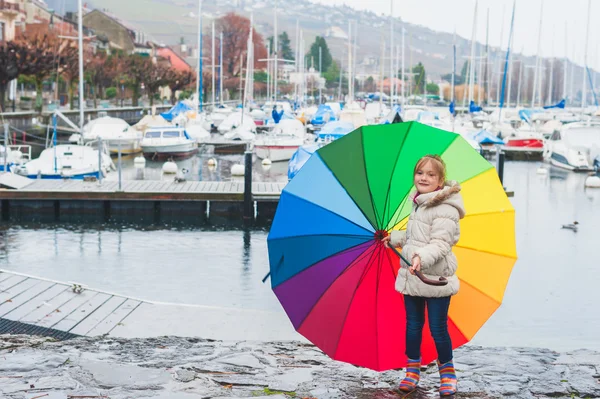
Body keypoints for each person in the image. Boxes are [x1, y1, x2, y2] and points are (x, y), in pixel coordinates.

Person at [382, 154, 465, 396]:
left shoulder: (446, 208)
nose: (424, 177)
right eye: (420, 173)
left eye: (430, 174)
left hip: (435, 278)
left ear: (440, 181)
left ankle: (447, 372)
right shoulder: (418, 203)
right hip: (413, 277)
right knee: (413, 325)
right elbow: (415, 235)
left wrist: (419, 257)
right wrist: (395, 239)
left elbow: (440, 244)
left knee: (438, 328)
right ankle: (412, 369)